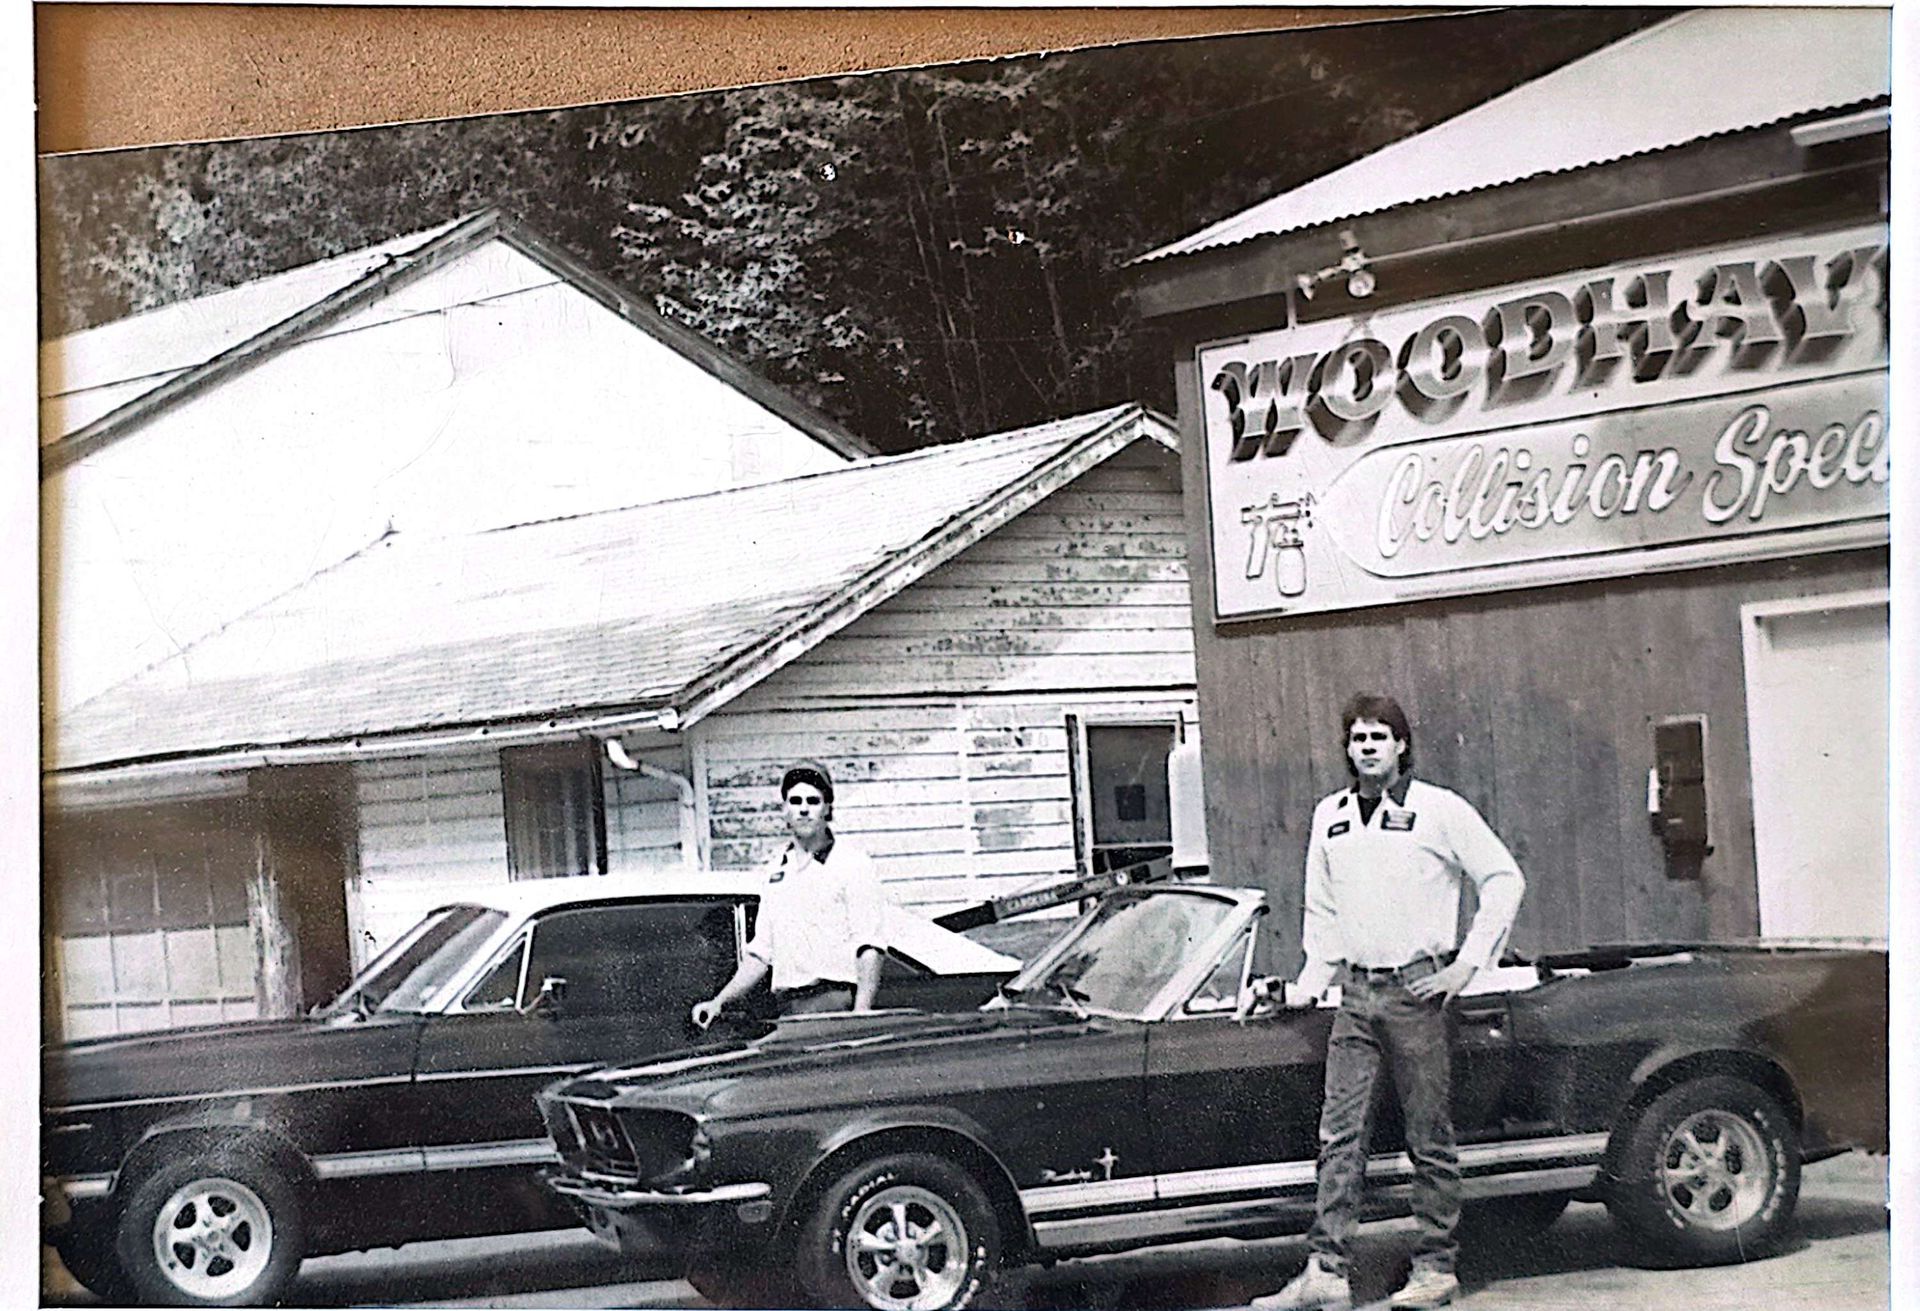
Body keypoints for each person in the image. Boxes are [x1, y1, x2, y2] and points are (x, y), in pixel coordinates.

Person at [1254, 694, 1525, 1311]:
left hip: (1416, 995)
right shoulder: (1332, 816)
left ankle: (1435, 1268)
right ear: (1347, 749)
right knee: (1339, 1135)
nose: (1368, 747)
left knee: (1427, 1134)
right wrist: (1304, 986)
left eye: (1380, 736)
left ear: (1402, 745)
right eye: (1357, 738)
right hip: (1354, 995)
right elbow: (1322, 915)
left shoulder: (1438, 810)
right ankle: (1326, 1272)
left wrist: (1464, 966)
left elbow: (1504, 879)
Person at [691, 760, 888, 1025]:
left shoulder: (852, 864)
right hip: (787, 1008)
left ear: (827, 807)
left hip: (832, 1002)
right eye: (795, 801)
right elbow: (760, 954)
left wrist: (860, 1017)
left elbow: (869, 946)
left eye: (813, 801)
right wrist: (719, 1001)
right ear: (784, 810)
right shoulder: (776, 870)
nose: (804, 809)